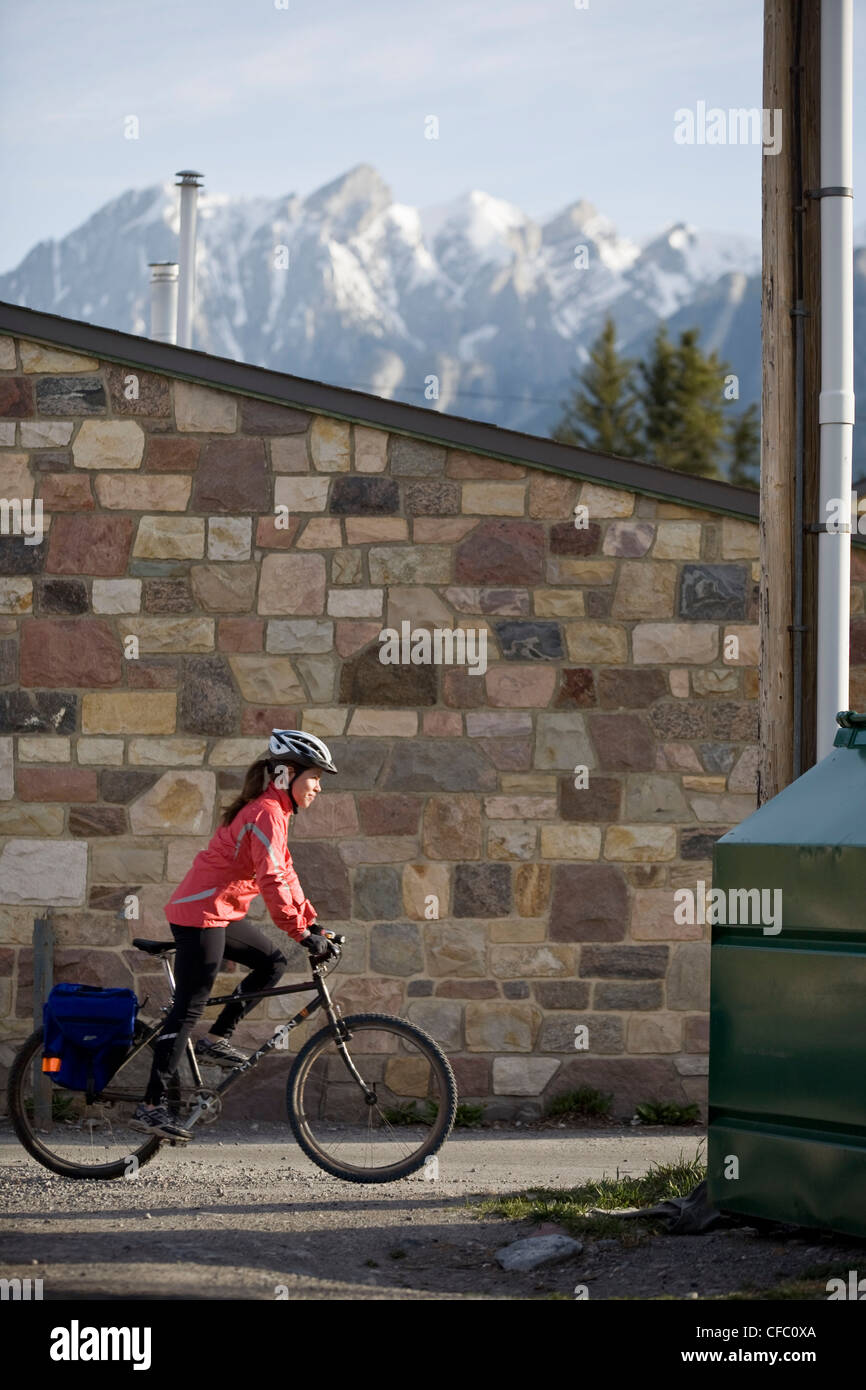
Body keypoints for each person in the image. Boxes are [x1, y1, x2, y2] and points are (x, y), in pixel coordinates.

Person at [130, 729, 338, 1142]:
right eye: (314, 776)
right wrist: (299, 932)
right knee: (189, 1007)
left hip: (219, 912)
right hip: (199, 914)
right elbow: (272, 879)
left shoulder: (276, 812)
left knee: (271, 963)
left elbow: (287, 873)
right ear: (287, 774)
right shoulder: (266, 813)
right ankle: (151, 1107)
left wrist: (310, 924)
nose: (318, 786)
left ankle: (215, 1040)